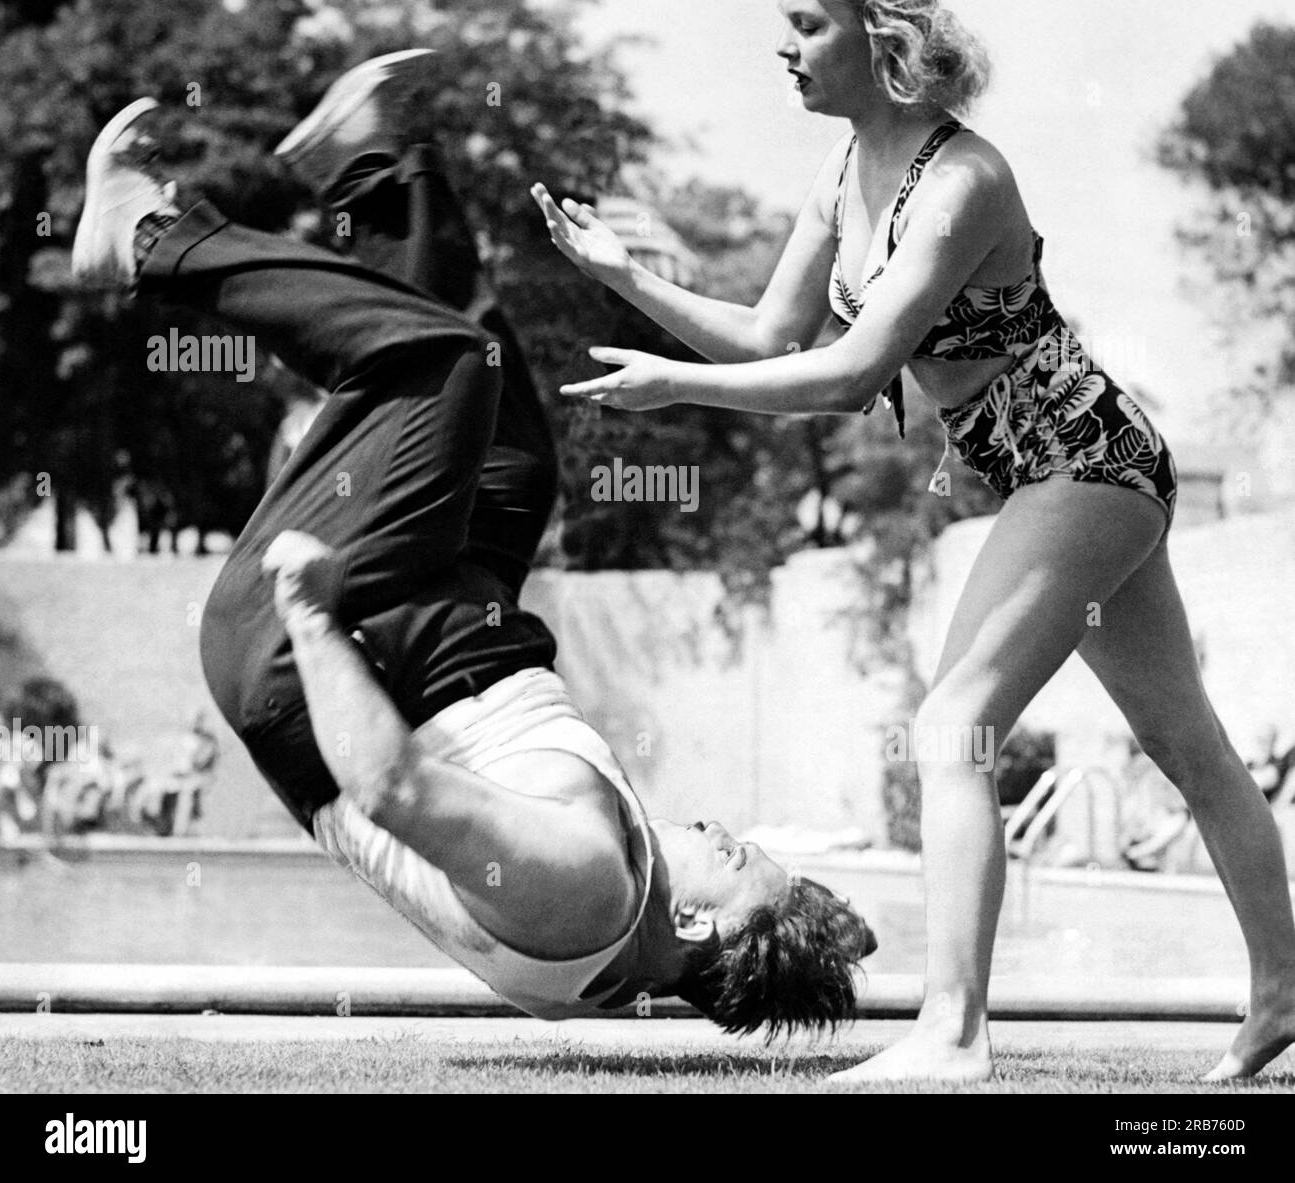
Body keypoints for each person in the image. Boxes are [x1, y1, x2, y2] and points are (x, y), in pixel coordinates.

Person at [531, 0, 1295, 1080]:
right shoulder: (842, 172)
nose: (783, 50)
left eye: (805, 26)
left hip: (1085, 460)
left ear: (876, 32)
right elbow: (772, 335)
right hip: (1054, 477)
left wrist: (672, 387)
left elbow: (848, 375)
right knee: (1182, 740)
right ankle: (1286, 993)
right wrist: (625, 277)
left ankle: (953, 1031)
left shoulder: (961, 181)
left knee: (952, 728)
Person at [70, 53, 875, 1034]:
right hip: (434, 633)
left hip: (321, 653)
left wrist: (312, 617)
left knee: (444, 366)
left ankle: (147, 240)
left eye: (733, 855)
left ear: (702, 923)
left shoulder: (585, 888)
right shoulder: (608, 940)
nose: (717, 828)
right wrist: (835, 941)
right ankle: (372, 166)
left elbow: (390, 786)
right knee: (512, 468)